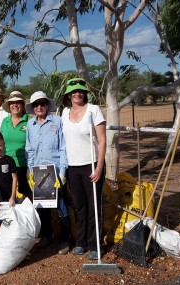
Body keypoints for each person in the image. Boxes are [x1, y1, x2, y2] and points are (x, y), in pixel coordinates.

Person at [61, 77, 106, 260]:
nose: (77, 94)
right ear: (69, 95)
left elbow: (102, 140)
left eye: (81, 91)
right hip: (73, 166)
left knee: (93, 206)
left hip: (91, 164)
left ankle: (95, 244)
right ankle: (81, 242)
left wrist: (100, 167)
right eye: (74, 92)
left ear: (84, 94)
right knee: (79, 206)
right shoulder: (64, 113)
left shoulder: (93, 110)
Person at [25, 91, 71, 255]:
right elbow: (29, 149)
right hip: (38, 171)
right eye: (36, 105)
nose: (39, 107)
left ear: (47, 105)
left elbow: (63, 147)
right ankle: (47, 236)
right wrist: (30, 170)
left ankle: (66, 239)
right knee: (42, 206)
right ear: (33, 108)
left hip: (55, 170)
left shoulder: (57, 122)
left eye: (42, 104)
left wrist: (63, 171)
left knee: (60, 205)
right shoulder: (31, 125)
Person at [0, 91, 32, 200]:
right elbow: (1, 142)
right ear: (9, 106)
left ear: (22, 105)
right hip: (6, 163)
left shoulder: (30, 122)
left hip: (23, 165)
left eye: (18, 102)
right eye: (12, 103)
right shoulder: (5, 121)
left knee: (25, 193)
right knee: (8, 192)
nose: (15, 105)